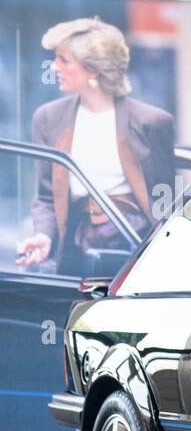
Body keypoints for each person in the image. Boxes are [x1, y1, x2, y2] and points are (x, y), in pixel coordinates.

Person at [16, 17, 175, 276]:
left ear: (94, 70)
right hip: (74, 250)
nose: (54, 67)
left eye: (64, 60)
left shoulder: (152, 122)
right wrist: (43, 236)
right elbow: (46, 198)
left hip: (133, 249)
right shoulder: (48, 118)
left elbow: (165, 201)